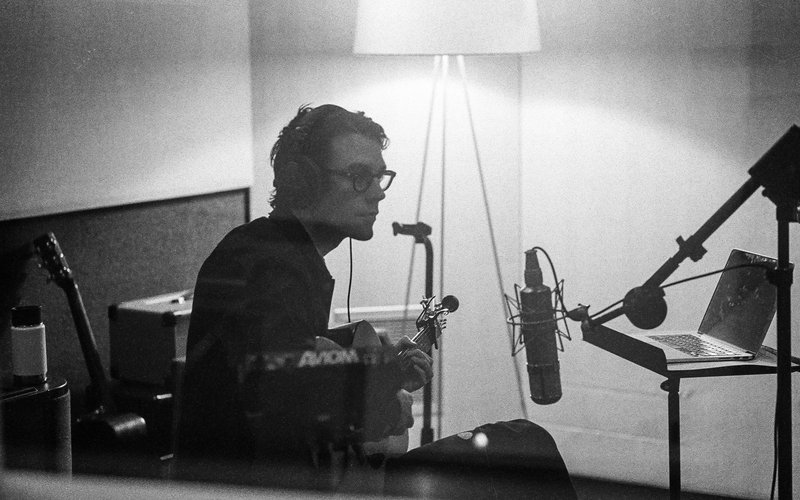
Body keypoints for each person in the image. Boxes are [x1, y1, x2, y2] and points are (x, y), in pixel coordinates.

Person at [174, 104, 432, 491]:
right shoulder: (269, 267)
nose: (378, 193)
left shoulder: (274, 253)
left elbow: (293, 355)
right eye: (360, 177)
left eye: (380, 177)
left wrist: (383, 368)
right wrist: (385, 396)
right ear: (302, 182)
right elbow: (285, 393)